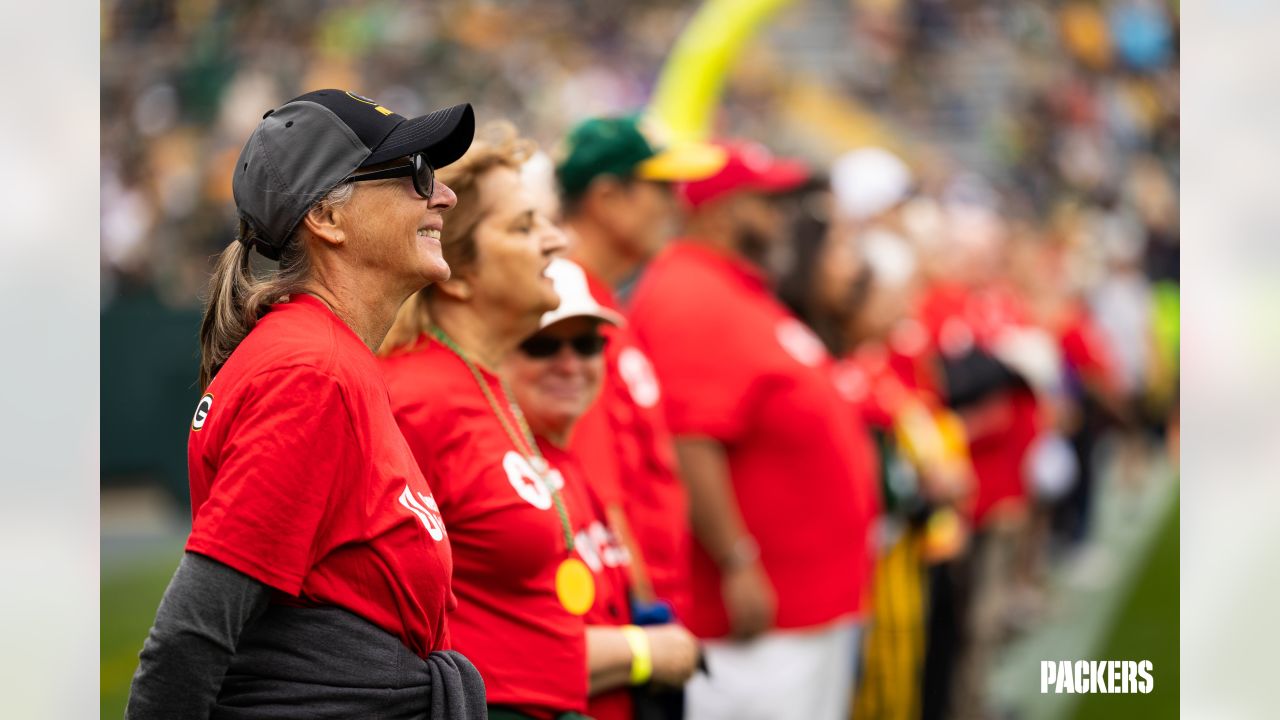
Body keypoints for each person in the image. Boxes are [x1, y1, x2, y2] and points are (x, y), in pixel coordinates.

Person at [126, 89, 486, 719]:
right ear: (327, 216)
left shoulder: (328, 358)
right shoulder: (311, 371)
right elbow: (191, 633)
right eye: (415, 174)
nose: (444, 194)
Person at [379, 123, 699, 720]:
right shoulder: (413, 401)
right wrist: (635, 652)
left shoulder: (487, 385)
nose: (557, 241)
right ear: (460, 270)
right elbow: (381, 632)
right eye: (525, 227)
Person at [627, 141, 879, 720]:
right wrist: (737, 561)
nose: (780, 216)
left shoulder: (732, 286)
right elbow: (689, 442)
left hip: (803, 605)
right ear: (721, 210)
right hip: (758, 618)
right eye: (765, 202)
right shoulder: (690, 293)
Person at [504, 257, 703, 720]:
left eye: (588, 343)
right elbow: (499, 654)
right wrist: (644, 651)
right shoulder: (499, 466)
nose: (570, 364)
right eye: (542, 345)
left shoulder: (566, 455)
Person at [555, 114, 726, 622]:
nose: (678, 204)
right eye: (662, 188)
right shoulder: (569, 310)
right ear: (607, 198)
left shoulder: (602, 299)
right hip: (624, 614)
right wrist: (645, 618)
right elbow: (597, 489)